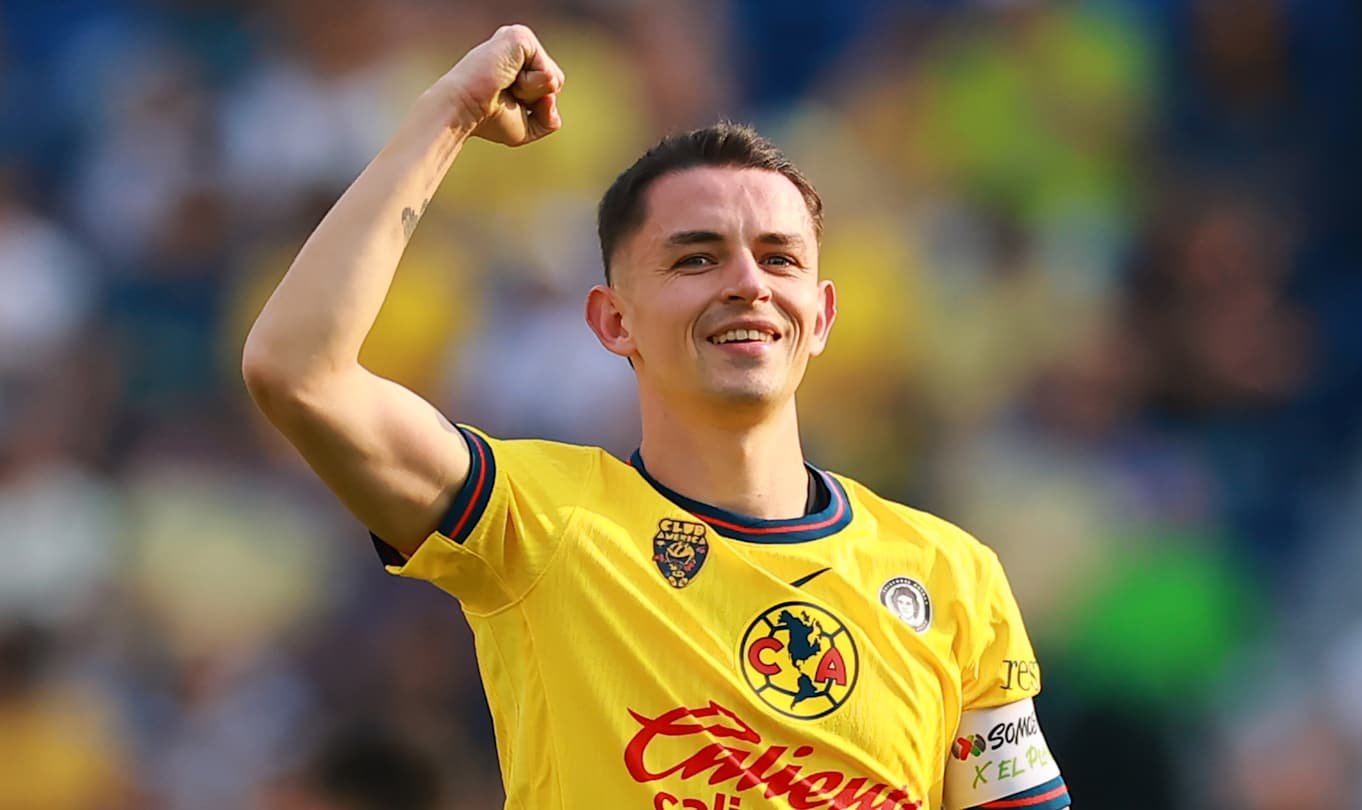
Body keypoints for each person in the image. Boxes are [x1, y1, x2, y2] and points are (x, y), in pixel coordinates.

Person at [242, 24, 1070, 810]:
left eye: (778, 257)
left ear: (819, 317)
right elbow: (298, 372)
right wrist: (447, 116)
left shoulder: (952, 575)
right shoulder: (539, 523)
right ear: (613, 320)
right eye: (696, 257)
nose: (748, 282)